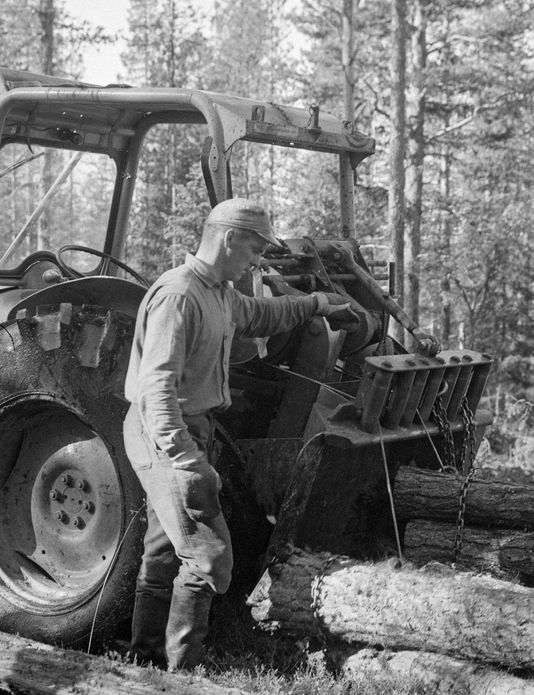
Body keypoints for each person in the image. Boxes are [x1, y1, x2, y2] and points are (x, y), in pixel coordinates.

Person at [122, 198, 359, 670]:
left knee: (164, 548)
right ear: (229, 238)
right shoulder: (179, 295)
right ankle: (183, 672)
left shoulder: (219, 293)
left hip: (189, 431)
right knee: (209, 558)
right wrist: (186, 460)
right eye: (254, 248)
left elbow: (262, 316)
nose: (257, 260)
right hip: (165, 435)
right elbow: (156, 388)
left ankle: (144, 660)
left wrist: (317, 303)